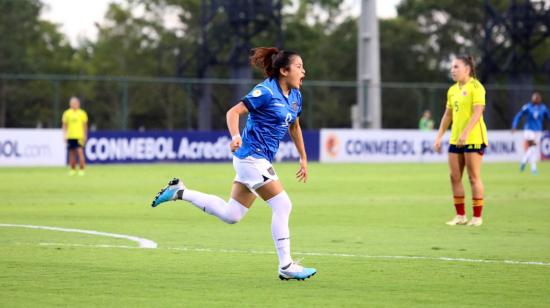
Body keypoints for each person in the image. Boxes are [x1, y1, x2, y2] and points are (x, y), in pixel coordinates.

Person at [151, 47, 316, 281]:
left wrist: (303, 157)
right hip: (250, 157)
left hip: (257, 160)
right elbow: (233, 112)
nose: (304, 71)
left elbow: (294, 126)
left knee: (232, 214)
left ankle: (180, 191)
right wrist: (235, 136)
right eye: (299, 67)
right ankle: (286, 265)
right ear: (283, 70)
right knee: (283, 205)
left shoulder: (296, 97)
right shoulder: (266, 91)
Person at [434, 55, 488, 227]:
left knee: (473, 177)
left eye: (456, 67)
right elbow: (448, 115)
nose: (452, 70)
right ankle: (460, 216)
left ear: (467, 69)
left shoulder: (476, 87)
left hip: (473, 137)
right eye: (452, 67)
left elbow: (477, 112)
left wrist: (465, 133)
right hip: (455, 138)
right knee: (454, 177)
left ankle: (477, 217)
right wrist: (439, 136)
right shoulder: (452, 90)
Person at [511, 92, 550, 174]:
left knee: (533, 149)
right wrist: (514, 125)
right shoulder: (528, 107)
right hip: (529, 130)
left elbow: (548, 116)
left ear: (539, 99)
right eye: (534, 98)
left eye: (537, 98)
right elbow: (518, 115)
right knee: (533, 147)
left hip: (538, 131)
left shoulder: (543, 108)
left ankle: (527, 164)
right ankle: (532, 167)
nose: (535, 99)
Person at [62, 97, 88, 176]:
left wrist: (85, 135)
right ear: (70, 104)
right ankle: (72, 169)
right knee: (71, 154)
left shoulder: (82, 113)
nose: (74, 105)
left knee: (80, 153)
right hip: (70, 136)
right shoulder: (67, 113)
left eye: (76, 103)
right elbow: (64, 125)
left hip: (79, 136)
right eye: (73, 103)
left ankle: (82, 170)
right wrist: (64, 135)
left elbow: (85, 126)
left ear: (78, 104)